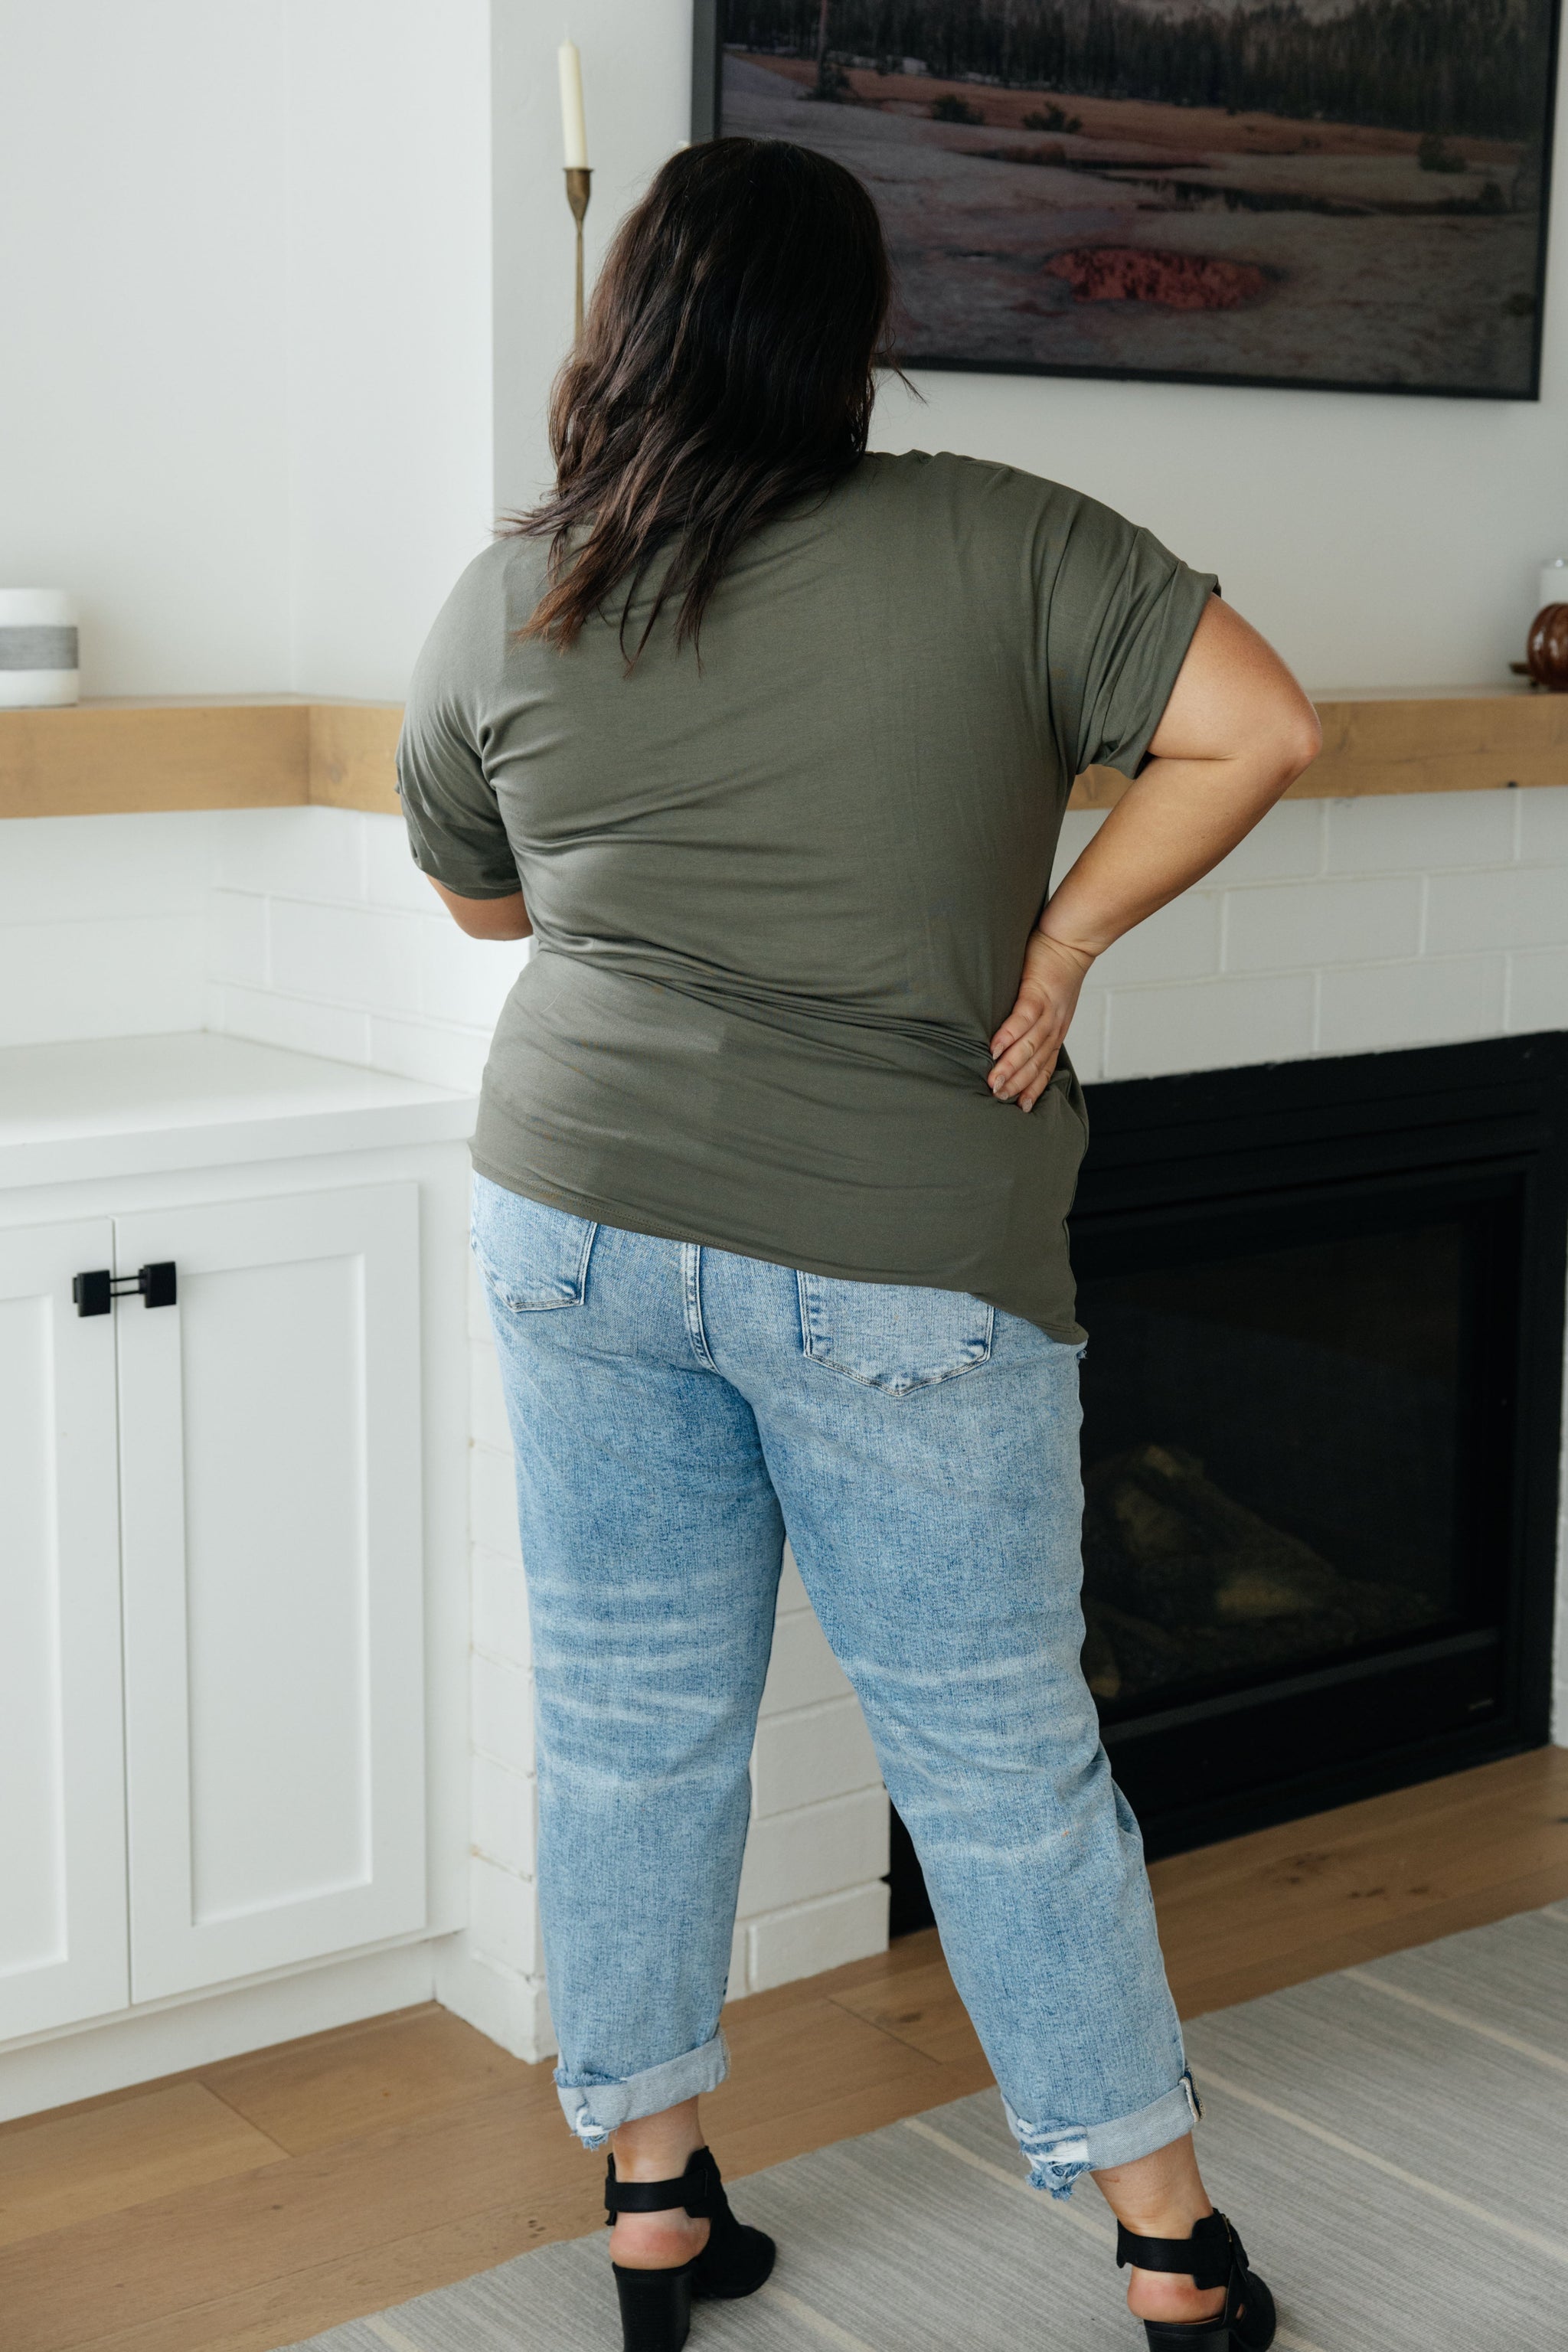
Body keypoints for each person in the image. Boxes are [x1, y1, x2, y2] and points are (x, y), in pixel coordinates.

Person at [396, 136, 1319, 2352]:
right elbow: (1265, 729)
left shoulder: (518, 588)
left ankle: (651, 2208)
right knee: (997, 1755)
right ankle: (1169, 2254)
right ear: (854, 332)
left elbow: (485, 900)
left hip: (577, 1212)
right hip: (900, 1242)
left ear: (627, 324)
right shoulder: (1007, 536)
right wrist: (1061, 940)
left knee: (628, 1721)